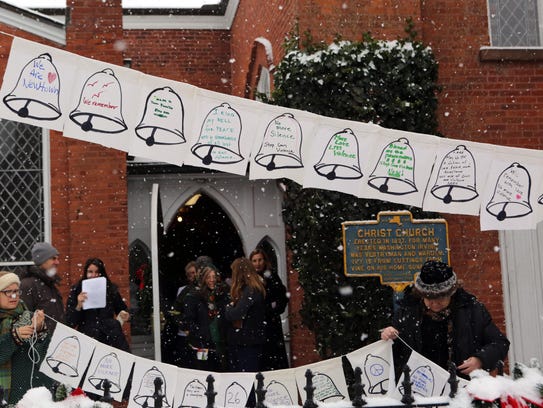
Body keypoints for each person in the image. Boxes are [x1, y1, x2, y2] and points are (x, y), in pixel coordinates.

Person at [380, 260, 510, 380]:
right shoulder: (407, 312)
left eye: (441, 298)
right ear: (421, 295)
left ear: (452, 293)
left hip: (462, 388)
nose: (435, 304)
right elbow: (394, 354)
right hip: (420, 388)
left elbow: (500, 343)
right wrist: (388, 336)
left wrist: (480, 359)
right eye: (429, 299)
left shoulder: (472, 310)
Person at [0, 271, 53, 404]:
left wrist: (40, 332)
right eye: (7, 291)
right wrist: (13, 338)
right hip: (6, 396)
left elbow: (46, 357)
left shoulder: (28, 316)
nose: (14, 296)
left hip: (31, 395)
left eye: (16, 291)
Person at [65, 258, 130, 352]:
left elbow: (122, 309)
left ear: (102, 273)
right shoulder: (77, 290)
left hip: (110, 338)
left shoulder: (110, 289)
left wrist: (125, 315)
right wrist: (79, 305)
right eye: (90, 272)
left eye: (97, 272)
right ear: (85, 273)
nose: (93, 276)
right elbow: (70, 322)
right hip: (87, 339)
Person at [249, 248, 289, 370]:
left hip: (272, 325)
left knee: (275, 359)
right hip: (256, 326)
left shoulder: (272, 276)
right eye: (254, 261)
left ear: (264, 260)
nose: (257, 263)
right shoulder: (249, 279)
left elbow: (282, 297)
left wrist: (273, 309)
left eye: (260, 260)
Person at [225, 257, 266, 372]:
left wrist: (228, 308)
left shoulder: (251, 290)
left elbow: (236, 314)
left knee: (246, 380)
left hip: (247, 342)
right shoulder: (251, 289)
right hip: (248, 341)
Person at [184, 265, 229, 371]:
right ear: (203, 279)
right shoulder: (194, 296)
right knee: (204, 371)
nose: (212, 280)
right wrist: (200, 332)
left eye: (214, 277)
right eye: (209, 277)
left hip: (218, 343)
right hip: (201, 345)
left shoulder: (221, 295)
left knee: (219, 371)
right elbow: (188, 320)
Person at [20, 242, 65, 332]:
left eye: (57, 258)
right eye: (53, 258)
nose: (57, 262)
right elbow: (23, 320)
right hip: (40, 343)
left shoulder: (50, 284)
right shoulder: (28, 285)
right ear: (42, 260)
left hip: (56, 342)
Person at [168, 260, 198, 368]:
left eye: (194, 272)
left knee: (201, 364)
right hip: (184, 334)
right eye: (190, 274)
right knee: (186, 364)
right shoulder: (183, 290)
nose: (192, 276)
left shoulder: (204, 289)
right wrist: (183, 325)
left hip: (200, 336)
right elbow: (175, 311)